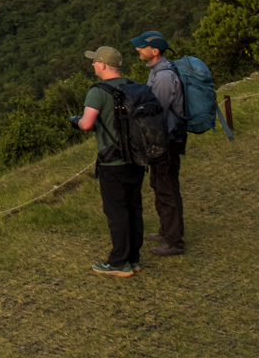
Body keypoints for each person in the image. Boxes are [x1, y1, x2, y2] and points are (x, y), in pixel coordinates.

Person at [73, 45, 145, 276]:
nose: (92, 64)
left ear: (103, 65)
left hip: (112, 161)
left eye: (94, 61)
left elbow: (86, 124)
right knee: (134, 208)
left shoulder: (98, 92)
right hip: (136, 158)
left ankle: (118, 263)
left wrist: (75, 121)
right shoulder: (133, 86)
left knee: (116, 212)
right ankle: (133, 258)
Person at [131, 29, 186, 255]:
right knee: (159, 183)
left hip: (168, 138)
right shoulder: (158, 71)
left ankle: (174, 241)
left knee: (166, 187)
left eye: (142, 47)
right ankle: (166, 230)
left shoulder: (163, 77)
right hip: (164, 138)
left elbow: (157, 111)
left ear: (154, 51)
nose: (138, 50)